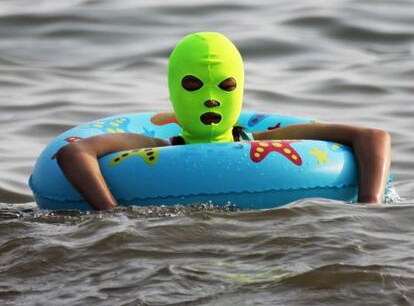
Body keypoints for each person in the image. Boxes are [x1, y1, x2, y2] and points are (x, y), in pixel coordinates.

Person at [56, 32, 391, 211]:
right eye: (193, 86)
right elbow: (75, 153)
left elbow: (373, 137)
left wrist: (369, 206)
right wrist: (111, 214)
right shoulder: (157, 146)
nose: (212, 98)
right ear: (175, 92)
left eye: (226, 86)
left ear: (239, 89)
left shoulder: (257, 140)